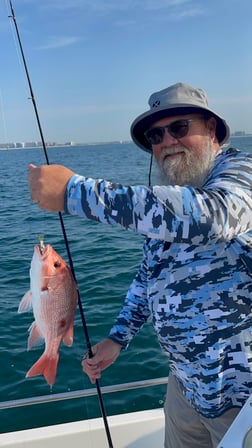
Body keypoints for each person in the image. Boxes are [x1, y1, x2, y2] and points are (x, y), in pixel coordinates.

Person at [29, 82, 252, 448]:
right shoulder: (175, 196)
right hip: (184, 390)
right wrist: (118, 338)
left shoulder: (241, 174)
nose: (166, 141)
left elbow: (212, 216)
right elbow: (150, 277)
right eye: (155, 135)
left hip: (241, 400)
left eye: (179, 127)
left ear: (212, 129)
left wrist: (73, 192)